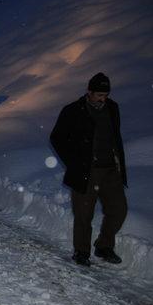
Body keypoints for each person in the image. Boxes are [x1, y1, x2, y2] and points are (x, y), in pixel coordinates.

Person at [50, 72, 127, 266]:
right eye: (99, 94)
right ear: (89, 92)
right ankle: (81, 252)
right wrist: (75, 162)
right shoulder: (74, 110)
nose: (103, 98)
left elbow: (114, 136)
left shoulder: (112, 108)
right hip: (86, 170)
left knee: (118, 210)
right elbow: (57, 138)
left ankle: (104, 246)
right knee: (84, 213)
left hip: (110, 169)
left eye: (106, 94)